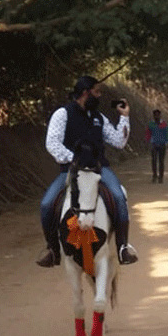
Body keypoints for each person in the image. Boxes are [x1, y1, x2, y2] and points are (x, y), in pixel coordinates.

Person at [36, 75, 138, 267]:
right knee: (46, 204)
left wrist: (124, 117)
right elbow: (52, 143)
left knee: (118, 196)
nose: (99, 96)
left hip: (100, 168)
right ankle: (52, 250)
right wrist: (74, 160)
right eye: (97, 92)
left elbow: (118, 141)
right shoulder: (62, 114)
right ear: (85, 92)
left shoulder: (99, 117)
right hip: (71, 170)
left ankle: (123, 247)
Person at [145, 109, 168, 183]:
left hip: (162, 145)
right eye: (155, 115)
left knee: (161, 161)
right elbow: (148, 134)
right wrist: (148, 142)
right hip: (154, 144)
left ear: (160, 115)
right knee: (154, 161)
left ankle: (161, 177)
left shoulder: (163, 124)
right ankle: (154, 176)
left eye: (158, 115)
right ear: (153, 116)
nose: (156, 116)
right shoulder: (151, 124)